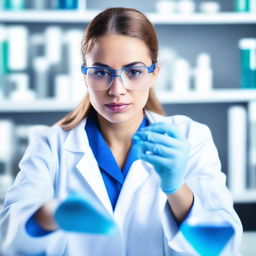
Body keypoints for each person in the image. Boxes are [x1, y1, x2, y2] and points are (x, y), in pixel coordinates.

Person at [0, 7, 242, 256]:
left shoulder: (191, 137)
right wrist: (53, 214)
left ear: (154, 74)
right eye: (101, 72)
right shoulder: (51, 144)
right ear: (85, 76)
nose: (117, 89)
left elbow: (222, 250)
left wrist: (176, 189)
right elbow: (10, 243)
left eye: (134, 72)